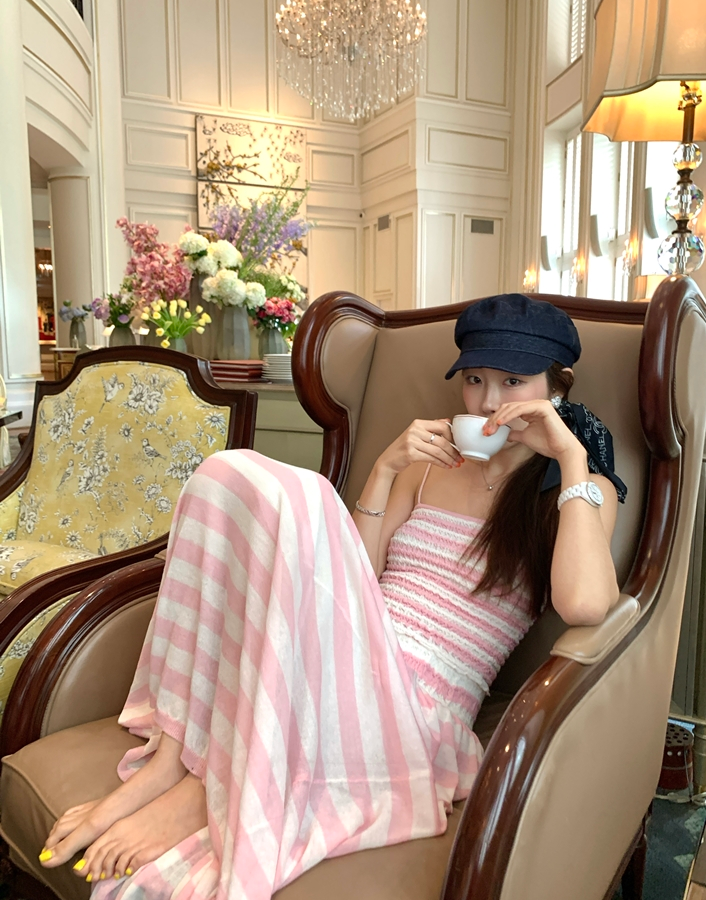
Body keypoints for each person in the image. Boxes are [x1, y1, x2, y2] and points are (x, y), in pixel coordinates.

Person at [38, 293, 626, 900]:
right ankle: (172, 760)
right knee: (223, 474)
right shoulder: (429, 466)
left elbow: (584, 606)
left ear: (558, 387)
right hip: (347, 650)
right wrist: (385, 469)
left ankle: (198, 791)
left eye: (513, 382)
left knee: (307, 499)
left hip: (416, 710)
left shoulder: (582, 491)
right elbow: (357, 577)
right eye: (475, 380)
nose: (489, 403)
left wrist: (569, 457)